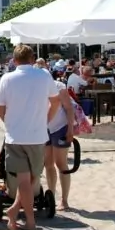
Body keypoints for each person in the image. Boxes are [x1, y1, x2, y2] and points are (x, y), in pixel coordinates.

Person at [0, 44, 60, 230]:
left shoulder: (7, 78)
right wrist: (46, 119)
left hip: (15, 136)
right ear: (32, 59)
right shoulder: (44, 76)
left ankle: (15, 210)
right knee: (33, 179)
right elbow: (55, 101)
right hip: (37, 135)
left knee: (23, 180)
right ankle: (29, 220)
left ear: (14, 61)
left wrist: (9, 124)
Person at [45, 79, 76, 210]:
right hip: (44, 128)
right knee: (48, 164)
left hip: (60, 126)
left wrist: (70, 129)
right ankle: (51, 197)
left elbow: (69, 108)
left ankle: (64, 200)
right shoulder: (33, 85)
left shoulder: (58, 86)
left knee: (61, 163)